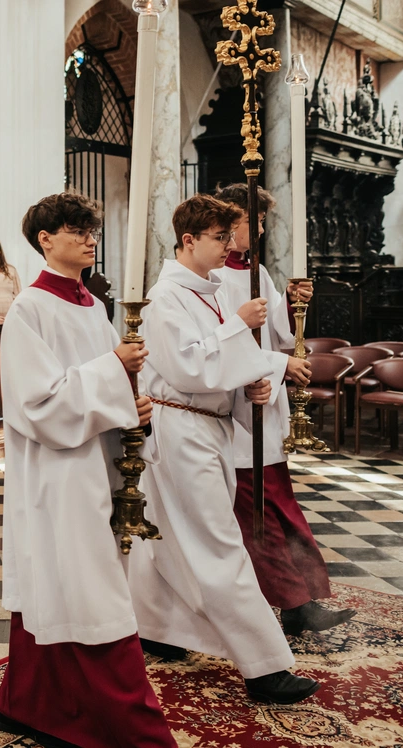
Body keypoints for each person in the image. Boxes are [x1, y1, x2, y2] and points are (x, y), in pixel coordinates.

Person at [0, 192, 173, 748]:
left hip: (97, 459)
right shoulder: (28, 310)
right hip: (59, 471)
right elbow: (37, 405)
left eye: (91, 230)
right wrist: (113, 370)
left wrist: (133, 405)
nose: (90, 238)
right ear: (46, 240)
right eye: (77, 230)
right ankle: (137, 735)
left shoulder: (93, 305)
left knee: (60, 583)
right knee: (90, 592)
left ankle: (26, 702)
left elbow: (110, 383)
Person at [126, 194, 320, 704]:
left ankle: (156, 627)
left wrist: (251, 383)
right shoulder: (165, 298)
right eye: (220, 237)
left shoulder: (203, 293)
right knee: (220, 542)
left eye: (230, 235)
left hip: (205, 425)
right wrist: (238, 326)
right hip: (181, 428)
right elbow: (190, 367)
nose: (230, 245)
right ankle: (264, 665)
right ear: (188, 240)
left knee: (164, 537)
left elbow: (221, 362)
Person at [214, 183, 354, 635]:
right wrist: (280, 365)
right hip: (237, 406)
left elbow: (278, 333)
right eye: (251, 221)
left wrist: (293, 304)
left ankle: (303, 597)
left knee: (280, 501)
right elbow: (220, 346)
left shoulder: (258, 271)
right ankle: (293, 602)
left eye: (261, 222)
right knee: (257, 510)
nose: (258, 230)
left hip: (265, 403)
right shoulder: (212, 278)